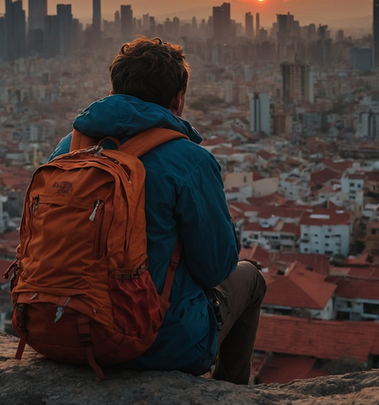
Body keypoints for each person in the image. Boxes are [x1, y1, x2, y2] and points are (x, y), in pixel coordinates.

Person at [49, 37, 266, 384]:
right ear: (178, 100)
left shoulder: (68, 149)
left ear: (115, 90)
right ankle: (230, 392)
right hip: (157, 342)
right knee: (251, 276)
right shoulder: (190, 161)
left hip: (62, 328)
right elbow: (216, 268)